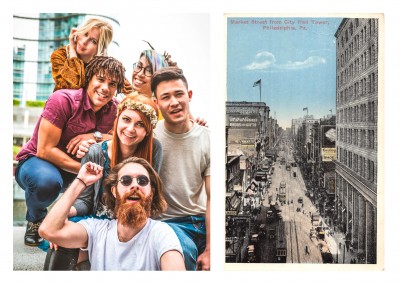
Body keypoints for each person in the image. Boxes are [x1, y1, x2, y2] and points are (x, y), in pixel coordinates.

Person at [15, 56, 126, 247]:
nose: (105, 88)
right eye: (100, 79)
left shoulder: (116, 110)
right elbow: (45, 150)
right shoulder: (62, 100)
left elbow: (122, 136)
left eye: (112, 83)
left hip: (79, 171)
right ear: (89, 78)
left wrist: (95, 135)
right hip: (38, 163)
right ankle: (35, 218)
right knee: (46, 183)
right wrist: (85, 171)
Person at [42, 94, 162, 270]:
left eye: (140, 124)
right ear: (117, 119)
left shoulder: (155, 149)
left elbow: (151, 197)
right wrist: (66, 212)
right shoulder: (96, 152)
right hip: (97, 220)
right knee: (61, 240)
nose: (130, 129)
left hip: (132, 220)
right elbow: (85, 201)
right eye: (126, 119)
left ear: (148, 130)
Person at [39, 158, 185, 271]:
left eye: (142, 180)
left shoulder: (161, 234)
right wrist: (81, 181)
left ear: (151, 193)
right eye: (126, 180)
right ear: (114, 191)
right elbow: (49, 230)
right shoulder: (96, 229)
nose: (135, 185)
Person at [151, 67, 210, 271]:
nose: (174, 102)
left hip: (203, 222)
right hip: (169, 224)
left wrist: (210, 249)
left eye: (179, 94)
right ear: (156, 103)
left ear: (189, 95)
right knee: (182, 257)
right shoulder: (149, 136)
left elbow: (213, 198)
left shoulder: (208, 138)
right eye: (165, 97)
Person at [51, 18, 132, 94]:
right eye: (85, 34)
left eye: (93, 41)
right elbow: (71, 88)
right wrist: (72, 50)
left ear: (100, 47)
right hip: (62, 106)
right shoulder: (60, 55)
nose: (84, 42)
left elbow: (130, 91)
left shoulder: (104, 66)